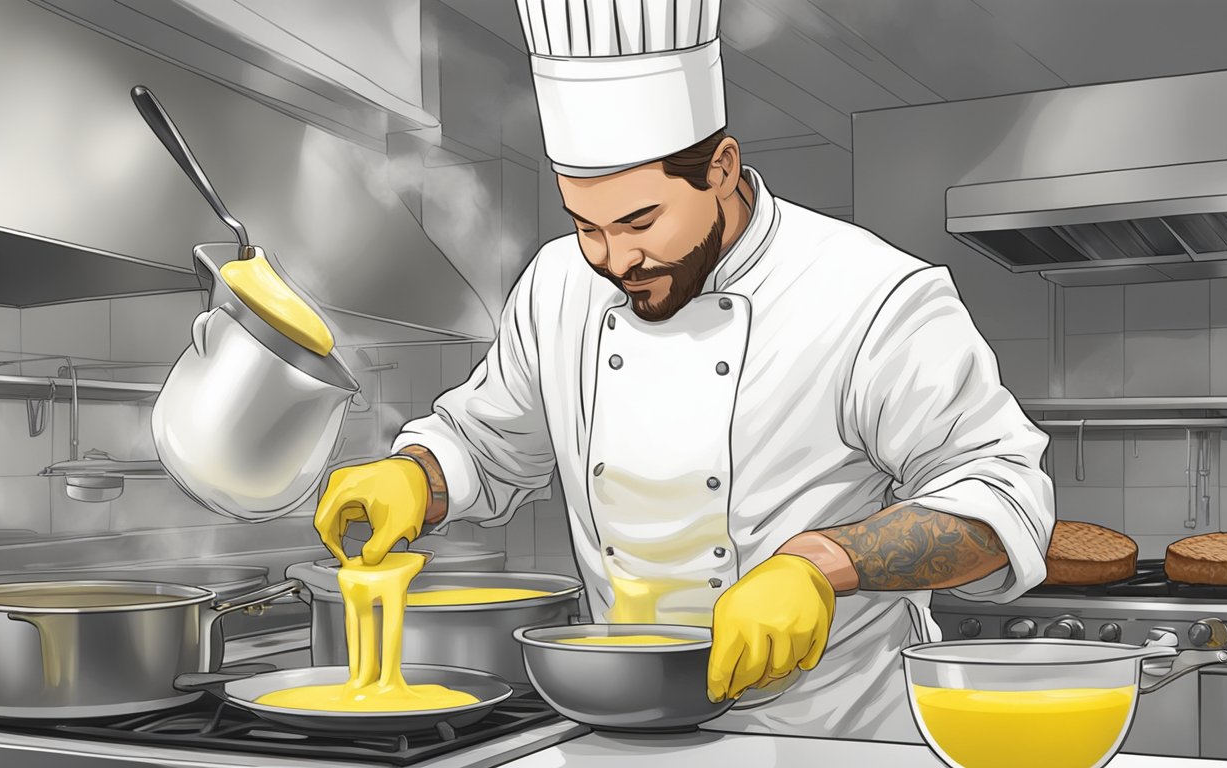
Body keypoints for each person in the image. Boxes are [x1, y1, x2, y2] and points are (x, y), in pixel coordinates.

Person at [314, 0, 1055, 741]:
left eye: (640, 222)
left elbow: (1002, 499)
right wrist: (416, 473)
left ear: (722, 170)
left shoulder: (872, 296)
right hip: (622, 726)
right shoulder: (558, 283)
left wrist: (822, 563)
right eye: (586, 225)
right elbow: (489, 441)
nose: (613, 260)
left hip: (835, 732)